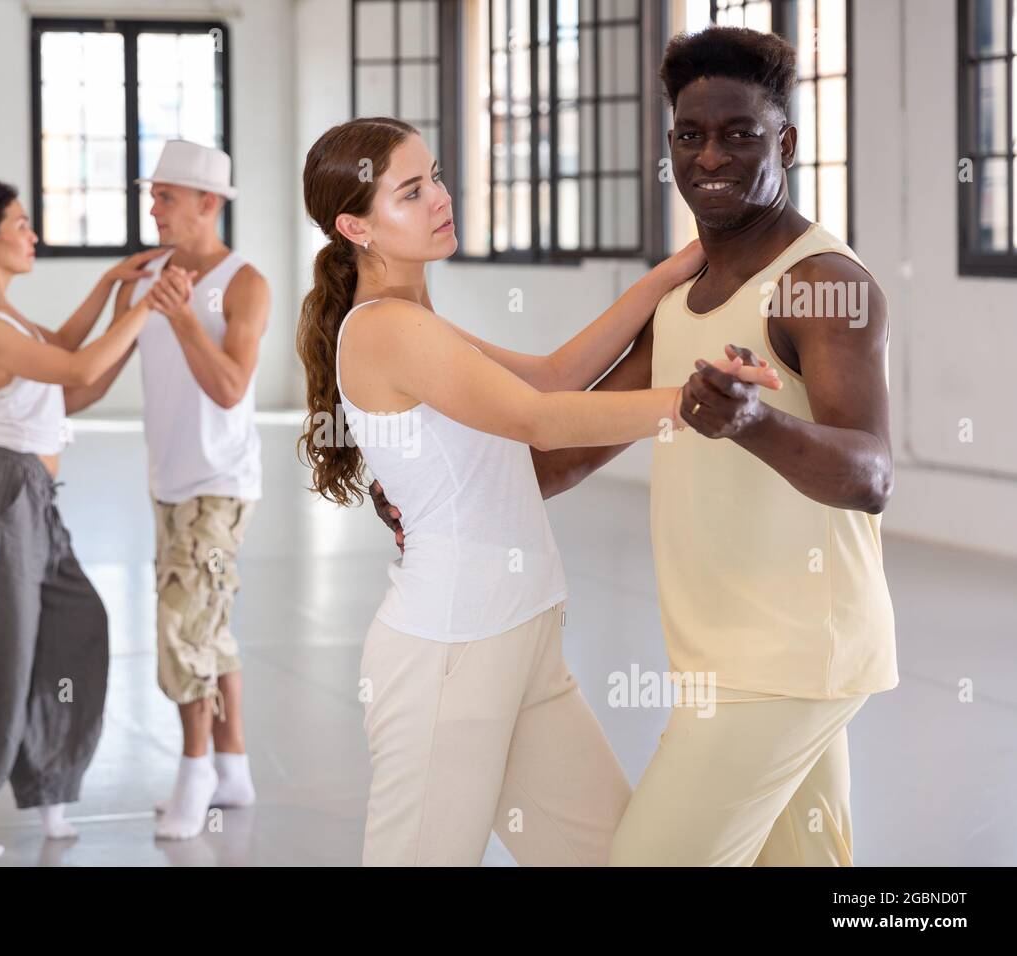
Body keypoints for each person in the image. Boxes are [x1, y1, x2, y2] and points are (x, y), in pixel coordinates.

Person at [376, 25, 898, 867]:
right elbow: (576, 444)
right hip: (724, 650)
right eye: (691, 136)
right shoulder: (686, 295)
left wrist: (751, 423)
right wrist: (430, 497)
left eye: (740, 134)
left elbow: (870, 475)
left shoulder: (821, 282)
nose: (712, 158)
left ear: (788, 142)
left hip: (790, 655)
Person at [297, 117, 778, 866]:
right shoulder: (386, 329)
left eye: (438, 177)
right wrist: (694, 402)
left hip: (522, 641)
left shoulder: (420, 320)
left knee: (609, 855)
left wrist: (675, 269)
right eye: (412, 191)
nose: (440, 199)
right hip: (448, 657)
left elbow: (553, 373)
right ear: (356, 226)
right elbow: (542, 421)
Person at [0, 177, 167, 861]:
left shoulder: (11, 321)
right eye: (20, 223)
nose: (33, 234)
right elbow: (78, 366)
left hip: (33, 501)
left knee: (73, 627)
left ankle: (49, 780)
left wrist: (116, 287)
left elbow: (68, 353)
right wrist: (147, 308)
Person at [115, 140, 271, 840]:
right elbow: (96, 369)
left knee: (182, 627)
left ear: (208, 204)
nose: (154, 209)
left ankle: (195, 768)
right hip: (167, 481)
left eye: (166, 198)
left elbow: (232, 388)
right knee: (211, 622)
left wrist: (181, 318)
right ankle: (235, 766)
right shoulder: (144, 276)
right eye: (152, 197)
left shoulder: (245, 283)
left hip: (220, 485)